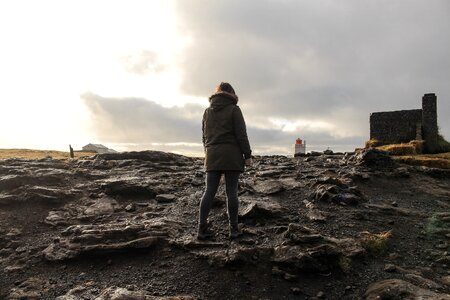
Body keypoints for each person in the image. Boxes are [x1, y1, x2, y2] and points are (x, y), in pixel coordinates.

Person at [198, 82, 252, 240]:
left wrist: (208, 153)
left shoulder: (207, 112)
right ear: (231, 94)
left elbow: (204, 137)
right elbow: (241, 134)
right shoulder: (234, 109)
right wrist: (247, 155)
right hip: (232, 156)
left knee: (209, 191)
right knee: (232, 192)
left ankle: (201, 229)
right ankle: (234, 230)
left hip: (212, 155)